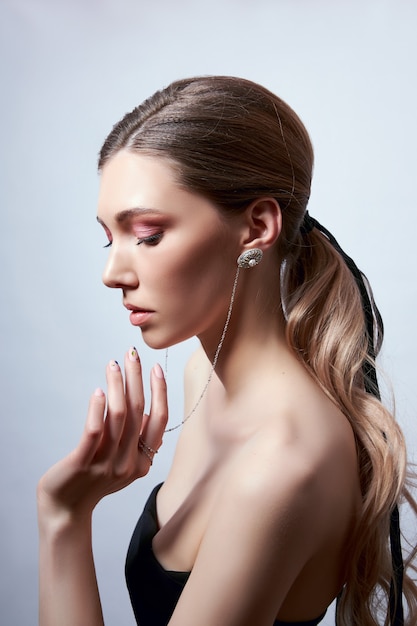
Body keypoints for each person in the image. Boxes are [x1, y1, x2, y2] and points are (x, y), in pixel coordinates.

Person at [37, 76, 417, 626]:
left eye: (147, 234)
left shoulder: (282, 465)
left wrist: (63, 520)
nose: (112, 272)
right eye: (109, 237)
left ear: (257, 227)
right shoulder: (203, 376)